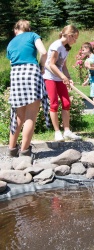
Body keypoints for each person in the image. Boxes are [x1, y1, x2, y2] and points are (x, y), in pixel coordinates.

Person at [6, 20, 50, 158]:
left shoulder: (11, 43)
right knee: (31, 115)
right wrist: (41, 66)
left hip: (15, 74)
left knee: (19, 115)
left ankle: (12, 149)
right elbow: (43, 52)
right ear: (28, 29)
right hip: (31, 71)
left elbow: (11, 61)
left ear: (16, 30)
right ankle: (25, 151)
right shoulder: (32, 35)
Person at [43, 25, 81, 142]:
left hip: (59, 77)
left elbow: (63, 65)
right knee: (54, 103)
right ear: (70, 36)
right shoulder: (57, 45)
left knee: (66, 102)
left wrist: (68, 78)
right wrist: (63, 76)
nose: (76, 40)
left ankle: (67, 131)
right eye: (75, 37)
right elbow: (52, 64)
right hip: (50, 77)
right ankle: (57, 132)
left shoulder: (66, 47)